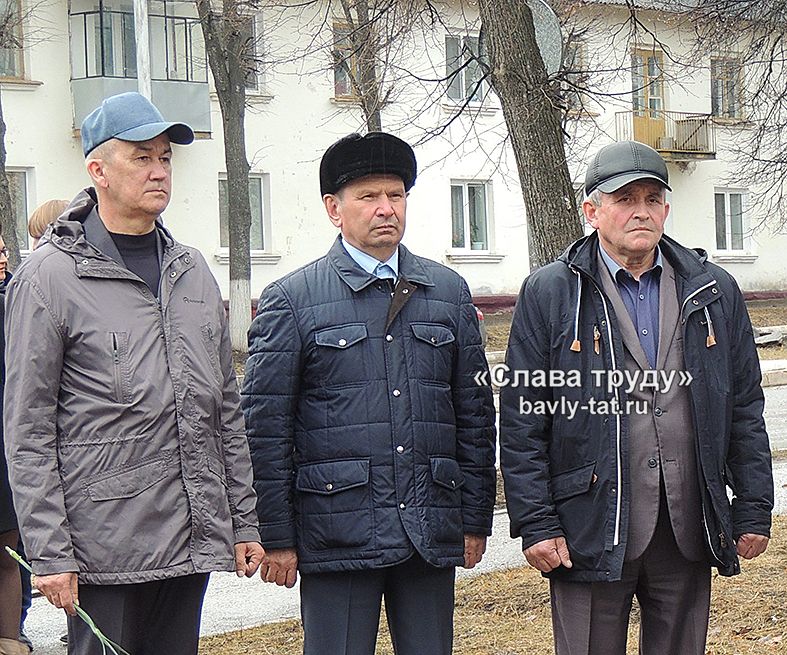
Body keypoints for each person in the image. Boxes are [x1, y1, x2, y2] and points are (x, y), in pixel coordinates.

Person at [3, 92, 264, 655]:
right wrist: (50, 552)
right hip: (103, 548)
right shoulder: (50, 278)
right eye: (141, 157)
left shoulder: (191, 271)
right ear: (97, 169)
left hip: (188, 537)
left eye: (165, 158)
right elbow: (28, 431)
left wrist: (243, 521)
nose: (159, 171)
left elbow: (225, 411)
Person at [500, 140, 774, 655]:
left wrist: (754, 505)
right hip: (589, 523)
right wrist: (535, 521)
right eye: (625, 199)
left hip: (686, 524)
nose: (640, 212)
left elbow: (743, 406)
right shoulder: (552, 292)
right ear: (592, 210)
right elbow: (521, 420)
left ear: (666, 209)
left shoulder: (713, 289)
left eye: (652, 199)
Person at [242, 132, 497, 655]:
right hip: (338, 530)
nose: (386, 209)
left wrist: (474, 518)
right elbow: (264, 429)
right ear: (334, 209)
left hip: (427, 528)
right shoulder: (291, 300)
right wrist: (276, 534)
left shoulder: (447, 293)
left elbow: (473, 415)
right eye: (368, 197)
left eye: (396, 195)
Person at [0, 234, 30, 655]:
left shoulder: (14, 304)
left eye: (3, 250)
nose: (1, 258)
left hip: (7, 447)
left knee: (8, 556)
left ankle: (10, 641)